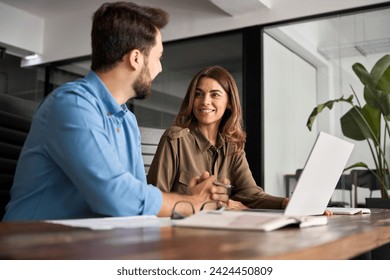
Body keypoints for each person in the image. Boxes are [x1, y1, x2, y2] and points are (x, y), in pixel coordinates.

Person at [2, 2, 228, 221]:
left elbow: (135, 196)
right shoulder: (72, 104)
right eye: (158, 58)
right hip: (33, 245)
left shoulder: (127, 120)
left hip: (92, 242)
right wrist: (191, 205)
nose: (159, 68)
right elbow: (115, 196)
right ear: (136, 58)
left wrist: (186, 197)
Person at [147, 65, 289, 210]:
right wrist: (210, 205)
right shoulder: (175, 139)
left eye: (214, 94)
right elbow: (154, 200)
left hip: (221, 229)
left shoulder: (233, 147)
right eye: (198, 94)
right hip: (179, 228)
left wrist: (285, 202)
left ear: (229, 102)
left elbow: (251, 194)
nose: (205, 101)